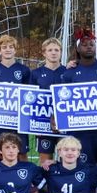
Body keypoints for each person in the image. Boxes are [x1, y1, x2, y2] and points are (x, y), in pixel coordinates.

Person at [61, 29, 97, 166]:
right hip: (80, 131)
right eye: (84, 45)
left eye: (91, 44)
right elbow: (61, 100)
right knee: (84, 169)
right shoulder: (69, 73)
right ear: (78, 48)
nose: (89, 47)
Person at [0, 35, 32, 161]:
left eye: (11, 47)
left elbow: (29, 95)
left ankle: (25, 179)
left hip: (18, 119)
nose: (8, 50)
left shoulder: (24, 70)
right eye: (4, 47)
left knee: (21, 152)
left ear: (15, 50)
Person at [29, 38, 67, 170]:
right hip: (43, 124)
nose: (53, 53)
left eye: (56, 50)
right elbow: (31, 100)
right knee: (45, 163)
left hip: (64, 124)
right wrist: (35, 125)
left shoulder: (67, 72)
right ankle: (45, 190)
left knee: (67, 159)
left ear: (61, 52)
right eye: (50, 50)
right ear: (44, 53)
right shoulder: (35, 74)